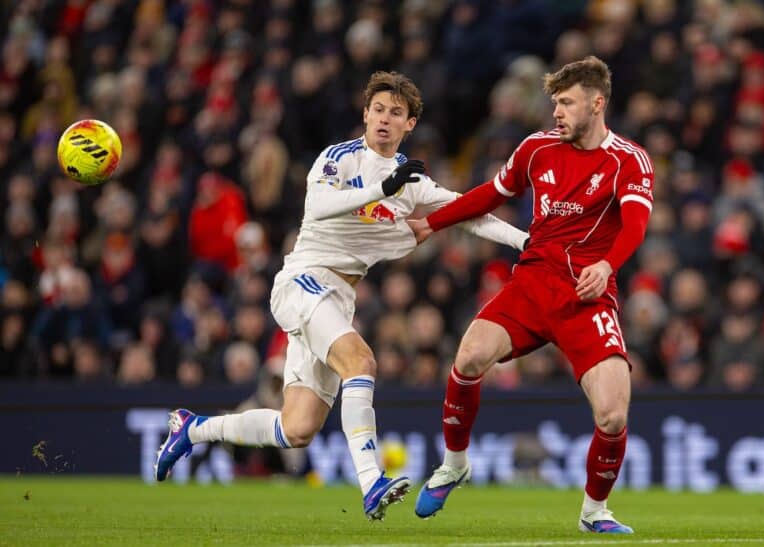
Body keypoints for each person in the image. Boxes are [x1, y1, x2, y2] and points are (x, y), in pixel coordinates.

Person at [154, 71, 528, 520]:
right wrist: (379, 191)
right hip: (303, 280)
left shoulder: (410, 182)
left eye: (396, 113)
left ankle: (192, 429)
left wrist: (524, 242)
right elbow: (317, 207)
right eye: (378, 110)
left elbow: (470, 212)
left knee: (297, 428)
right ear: (365, 114)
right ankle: (371, 483)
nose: (385, 120)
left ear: (410, 124)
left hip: (337, 299)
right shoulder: (340, 159)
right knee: (362, 362)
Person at [410, 57, 654, 534]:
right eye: (554, 103)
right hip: (531, 284)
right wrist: (430, 224)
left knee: (611, 413)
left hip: (586, 296)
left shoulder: (628, 159)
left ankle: (593, 513)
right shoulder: (537, 149)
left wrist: (606, 266)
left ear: (597, 103)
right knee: (469, 357)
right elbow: (490, 194)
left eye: (566, 103)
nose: (556, 112)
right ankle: (455, 464)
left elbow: (637, 225)